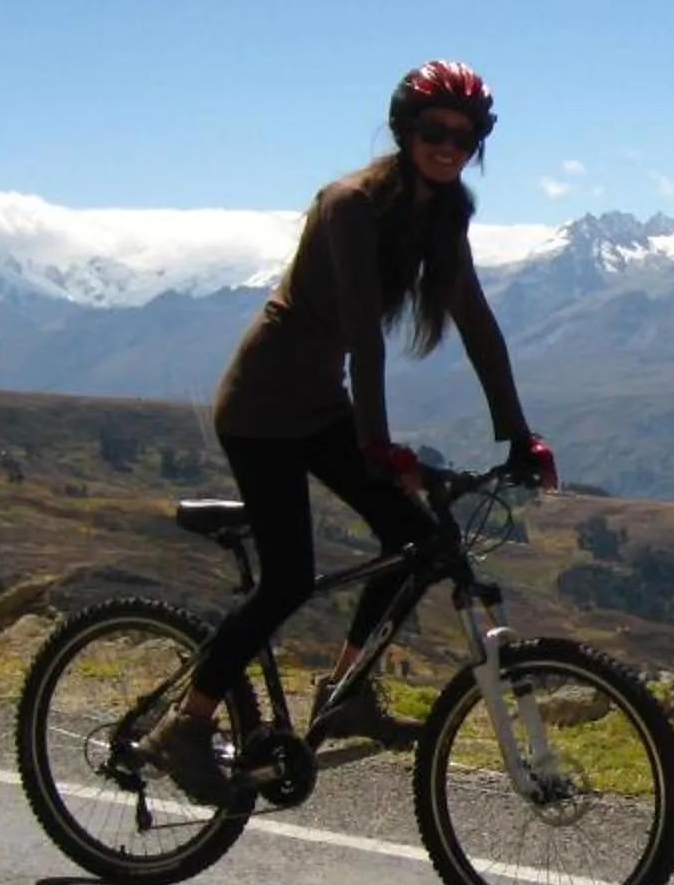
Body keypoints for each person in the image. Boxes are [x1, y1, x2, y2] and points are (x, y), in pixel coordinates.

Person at [140, 60, 556, 803]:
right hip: (263, 407)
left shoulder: (445, 211)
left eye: (468, 134)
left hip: (321, 405)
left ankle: (346, 691)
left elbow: (476, 321)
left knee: (415, 542)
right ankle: (188, 723)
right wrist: (377, 445)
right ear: (405, 130)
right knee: (289, 577)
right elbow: (365, 336)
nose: (450, 145)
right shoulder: (351, 205)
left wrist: (519, 436)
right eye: (435, 130)